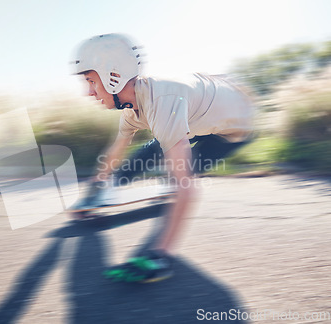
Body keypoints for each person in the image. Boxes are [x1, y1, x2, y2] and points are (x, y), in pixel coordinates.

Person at [72, 33, 255, 283]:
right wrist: (98, 188)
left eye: (91, 81)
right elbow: (117, 150)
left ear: (112, 75)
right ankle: (121, 189)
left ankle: (163, 249)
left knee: (177, 175)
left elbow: (186, 186)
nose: (88, 92)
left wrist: (160, 255)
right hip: (199, 114)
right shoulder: (133, 110)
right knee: (149, 152)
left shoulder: (163, 101)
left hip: (232, 131)